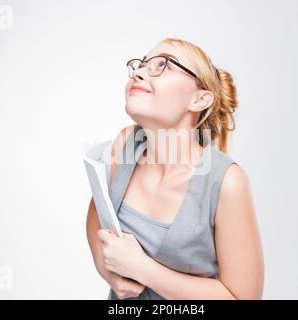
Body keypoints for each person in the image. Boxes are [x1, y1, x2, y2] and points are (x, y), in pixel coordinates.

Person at [86, 37, 264, 300]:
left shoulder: (227, 182)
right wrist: (108, 271)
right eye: (142, 64)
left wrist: (144, 270)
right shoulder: (125, 146)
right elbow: (96, 219)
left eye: (164, 65)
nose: (139, 72)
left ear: (199, 99)